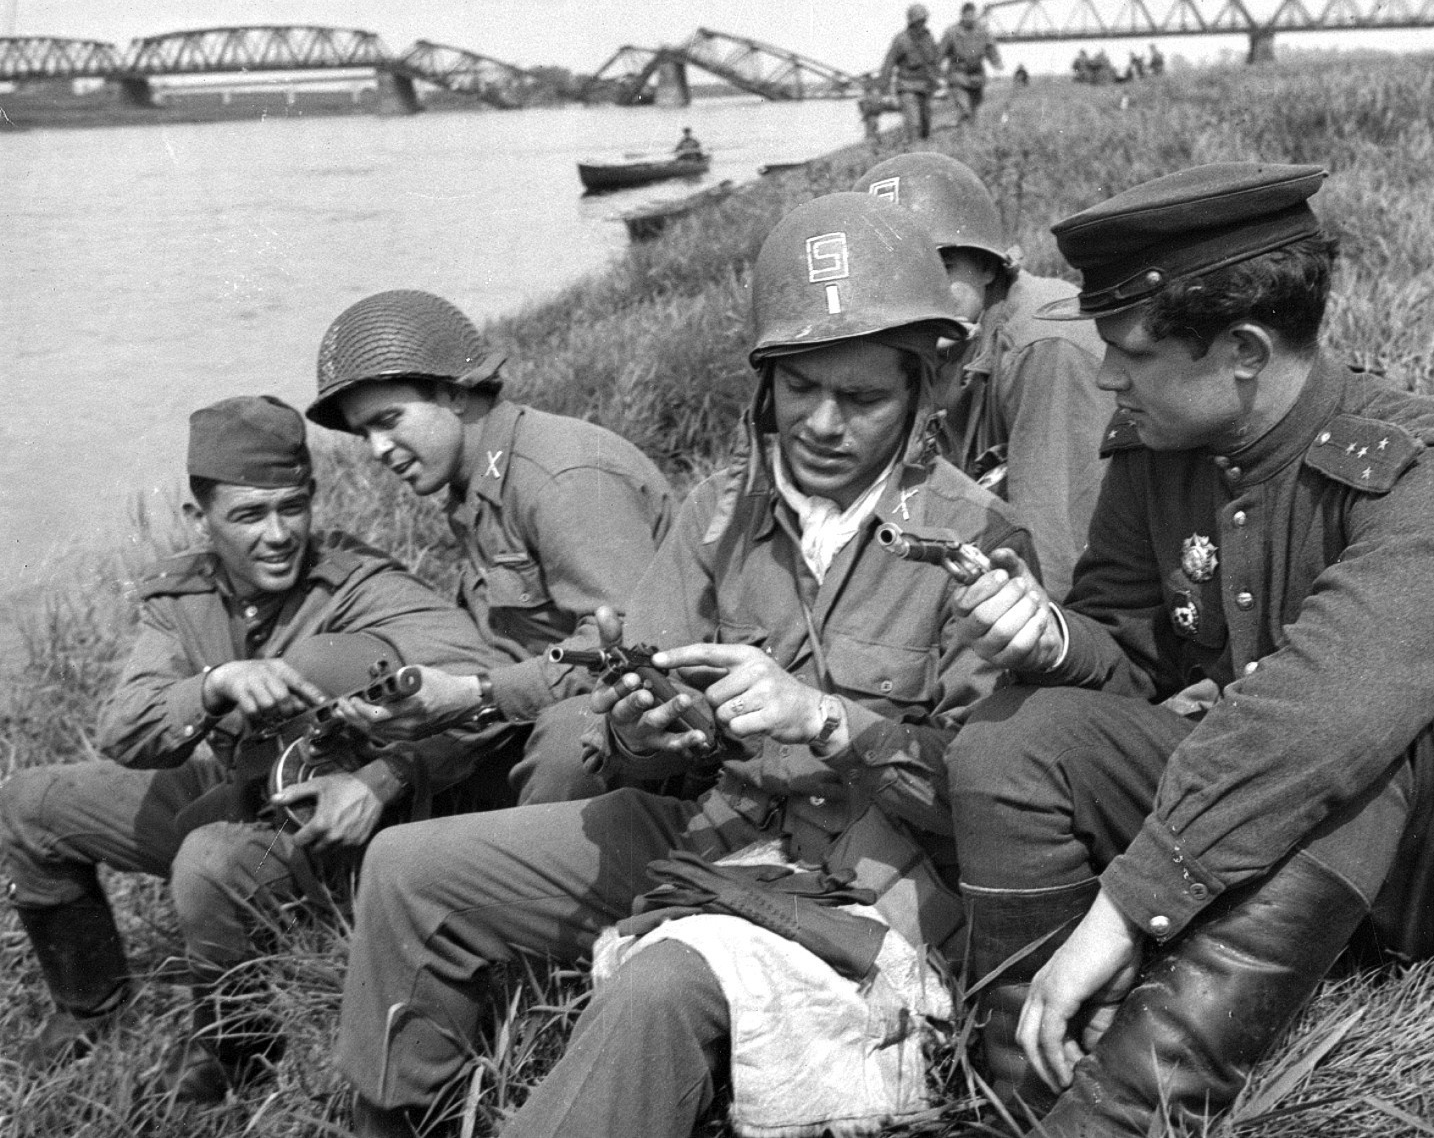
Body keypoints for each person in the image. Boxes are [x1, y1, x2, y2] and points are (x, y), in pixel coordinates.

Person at [335, 192, 1034, 1138]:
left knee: (662, 985)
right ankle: (400, 1117)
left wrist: (827, 721)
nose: (825, 424)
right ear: (764, 385)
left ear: (921, 392)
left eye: (863, 397)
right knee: (407, 870)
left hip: (863, 875)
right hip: (704, 829)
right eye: (799, 392)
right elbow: (626, 723)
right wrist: (639, 727)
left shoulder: (976, 541)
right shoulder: (717, 515)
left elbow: (987, 806)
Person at [945, 162, 1434, 1136]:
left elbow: (1327, 713)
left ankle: (1119, 1117)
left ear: (1242, 351)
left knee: (1347, 743)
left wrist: (1127, 908)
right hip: (1269, 860)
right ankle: (1028, 1083)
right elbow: (1132, 653)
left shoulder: (1429, 471)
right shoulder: (1159, 453)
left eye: (1130, 352)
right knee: (1010, 738)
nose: (1107, 376)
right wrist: (1054, 637)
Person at [0, 395, 509, 1105]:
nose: (277, 534)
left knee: (205, 861)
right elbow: (125, 729)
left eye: (291, 507)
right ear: (198, 519)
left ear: (310, 499)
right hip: (243, 781)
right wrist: (215, 685)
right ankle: (88, 1004)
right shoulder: (181, 597)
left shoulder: (363, 585)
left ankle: (237, 1042)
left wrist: (386, 775)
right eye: (248, 515)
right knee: (28, 804)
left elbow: (486, 690)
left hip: (346, 818)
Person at [306, 290, 675, 804]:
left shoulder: (559, 479)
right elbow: (512, 649)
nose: (377, 451)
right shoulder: (474, 487)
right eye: (362, 433)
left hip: (658, 723)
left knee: (566, 743)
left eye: (388, 421)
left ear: (455, 394)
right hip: (561, 703)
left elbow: (632, 646)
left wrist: (472, 694)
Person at [854, 151, 1113, 597]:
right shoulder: (932, 351)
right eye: (890, 274)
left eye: (939, 267)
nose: (913, 295)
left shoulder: (1045, 347)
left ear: (988, 266)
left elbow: (1058, 562)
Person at [879, 4, 942, 141]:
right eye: (918, 21)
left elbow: (935, 61)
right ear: (912, 22)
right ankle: (914, 154)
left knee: (926, 127)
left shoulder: (928, 38)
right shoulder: (901, 40)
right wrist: (884, 90)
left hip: (925, 88)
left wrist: (938, 79)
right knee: (914, 125)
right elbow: (888, 64)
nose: (921, 24)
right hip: (907, 88)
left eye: (923, 20)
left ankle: (922, 154)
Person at [938, 2, 1002, 125]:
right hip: (957, 74)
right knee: (964, 107)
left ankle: (968, 130)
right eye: (967, 15)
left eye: (973, 15)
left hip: (977, 75)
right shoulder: (951, 32)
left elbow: (991, 49)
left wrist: (997, 63)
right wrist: (935, 68)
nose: (970, 18)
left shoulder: (983, 31)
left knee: (975, 108)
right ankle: (964, 120)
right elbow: (940, 52)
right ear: (962, 16)